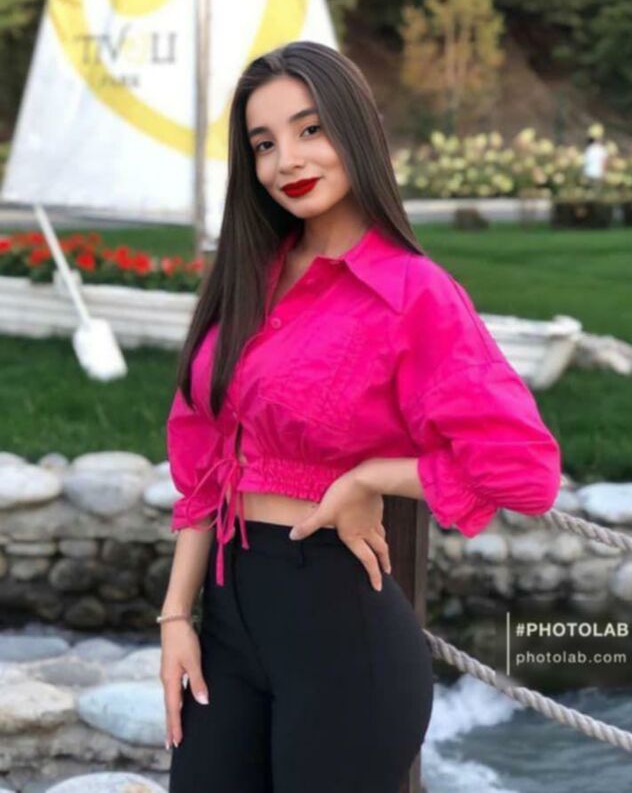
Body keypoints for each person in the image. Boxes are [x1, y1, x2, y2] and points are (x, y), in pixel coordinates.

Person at [160, 41, 562, 793]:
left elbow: (525, 472)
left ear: (356, 129)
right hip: (226, 621)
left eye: (310, 129)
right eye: (264, 144)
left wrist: (373, 476)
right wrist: (176, 617)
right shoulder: (248, 277)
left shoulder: (415, 292)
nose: (287, 160)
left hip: (342, 632)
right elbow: (206, 464)